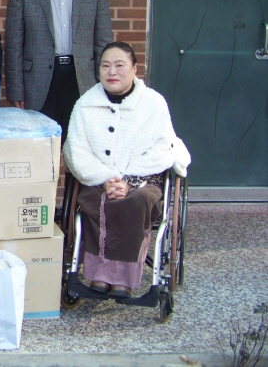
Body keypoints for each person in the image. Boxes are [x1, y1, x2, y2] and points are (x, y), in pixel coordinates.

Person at [63, 41, 190, 297]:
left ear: (134, 69)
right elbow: (75, 150)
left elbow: (163, 147)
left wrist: (129, 180)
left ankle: (122, 278)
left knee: (136, 201)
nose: (112, 72)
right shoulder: (85, 105)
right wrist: (106, 179)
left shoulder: (154, 103)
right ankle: (100, 275)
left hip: (144, 182)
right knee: (96, 201)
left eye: (120, 65)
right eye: (106, 66)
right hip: (98, 182)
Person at [5, 0, 112, 142]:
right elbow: (14, 43)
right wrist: (16, 90)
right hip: (38, 80)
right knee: (40, 147)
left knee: (83, 143)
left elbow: (103, 42)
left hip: (82, 78)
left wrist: (106, 84)